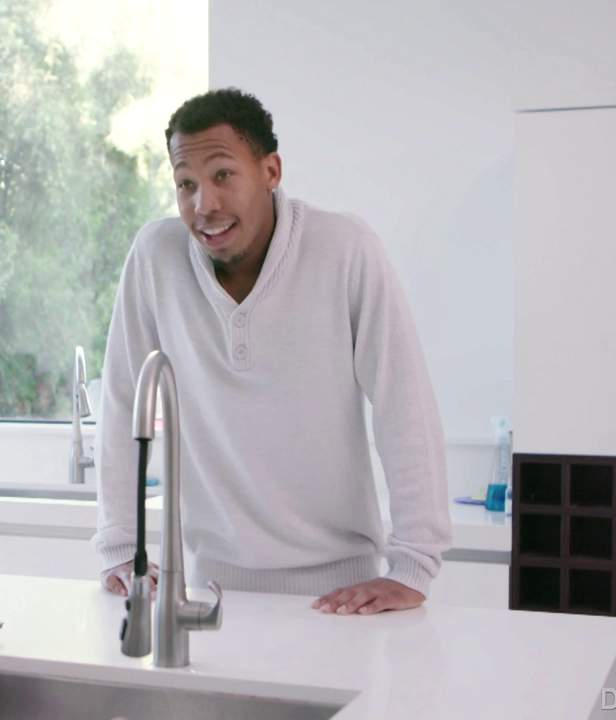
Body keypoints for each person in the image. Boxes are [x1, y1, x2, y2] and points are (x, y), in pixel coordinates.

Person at [93, 88, 452, 616]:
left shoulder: (345, 248)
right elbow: (125, 399)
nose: (204, 204)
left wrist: (414, 564)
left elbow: (404, 403)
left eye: (223, 175)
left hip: (342, 596)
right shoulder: (156, 257)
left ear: (271, 171)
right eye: (186, 183)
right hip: (211, 589)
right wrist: (121, 547)